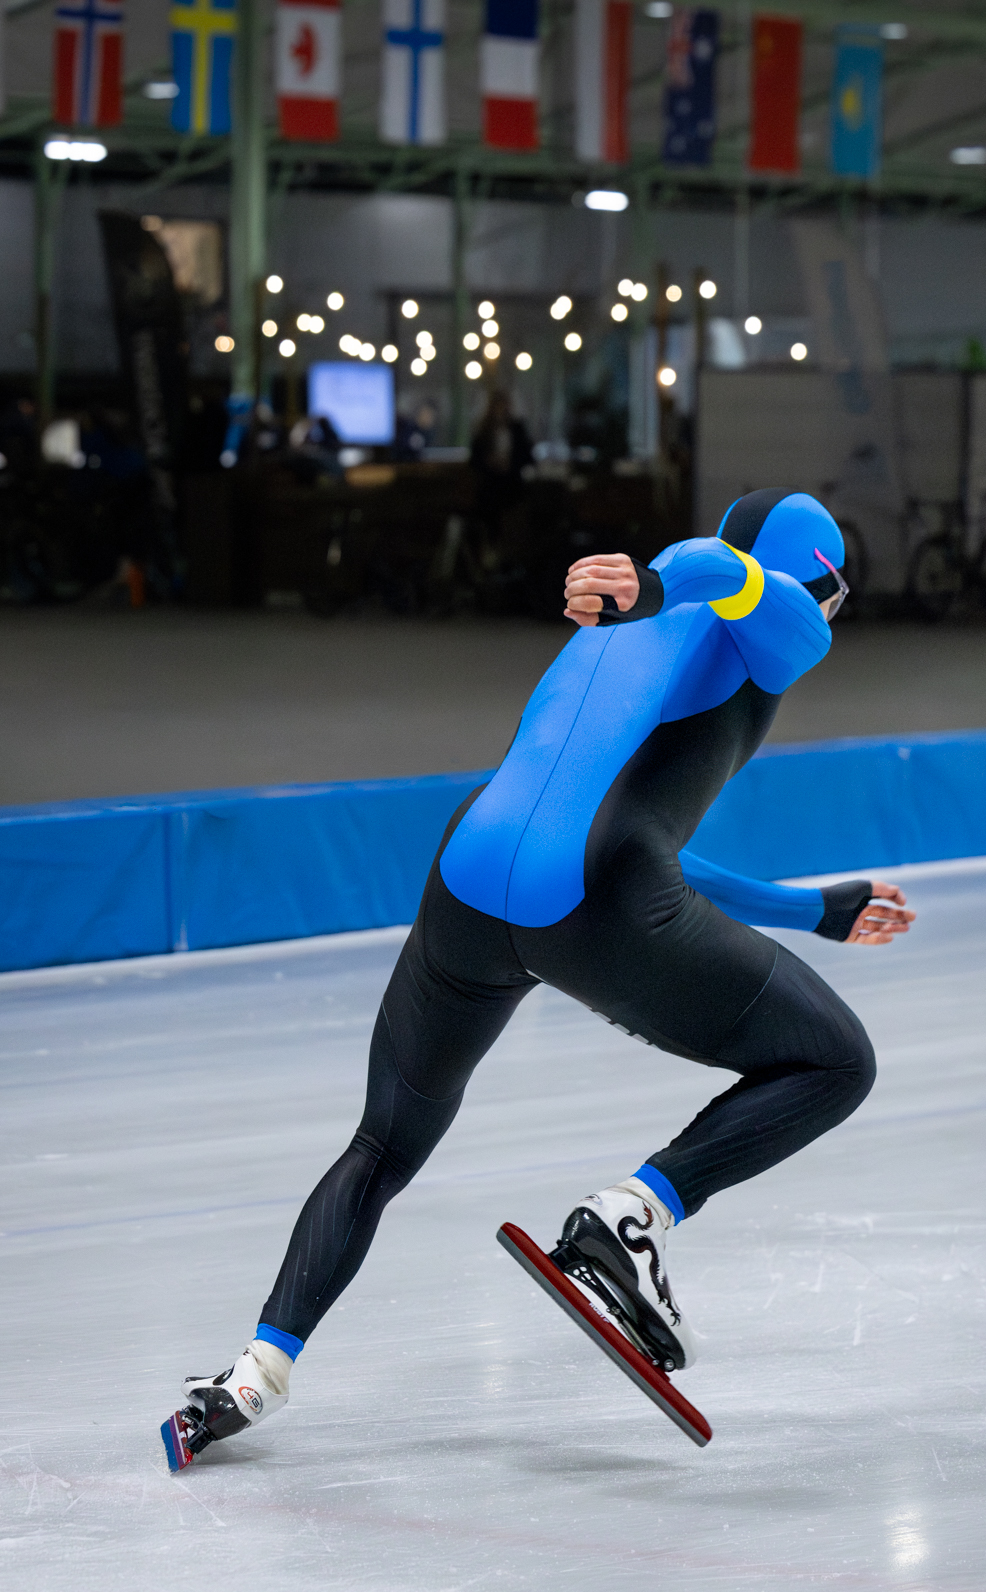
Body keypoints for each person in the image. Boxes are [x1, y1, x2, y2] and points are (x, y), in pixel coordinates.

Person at [161, 488, 913, 1467]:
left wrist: (808, 908)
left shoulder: (624, 633)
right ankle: (633, 1214)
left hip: (470, 883)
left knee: (382, 1146)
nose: (827, 622)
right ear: (819, 582)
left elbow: (627, 828)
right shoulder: (775, 623)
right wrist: (665, 576)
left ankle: (253, 1374)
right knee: (837, 1060)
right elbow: (726, 577)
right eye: (833, 597)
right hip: (590, 902)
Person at [469, 387, 533, 549]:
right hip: (489, 489)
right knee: (490, 530)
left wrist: (510, 464)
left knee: (513, 530)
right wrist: (490, 463)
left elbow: (528, 457)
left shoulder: (517, 429)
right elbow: (474, 460)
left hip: (512, 488)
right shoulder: (484, 431)